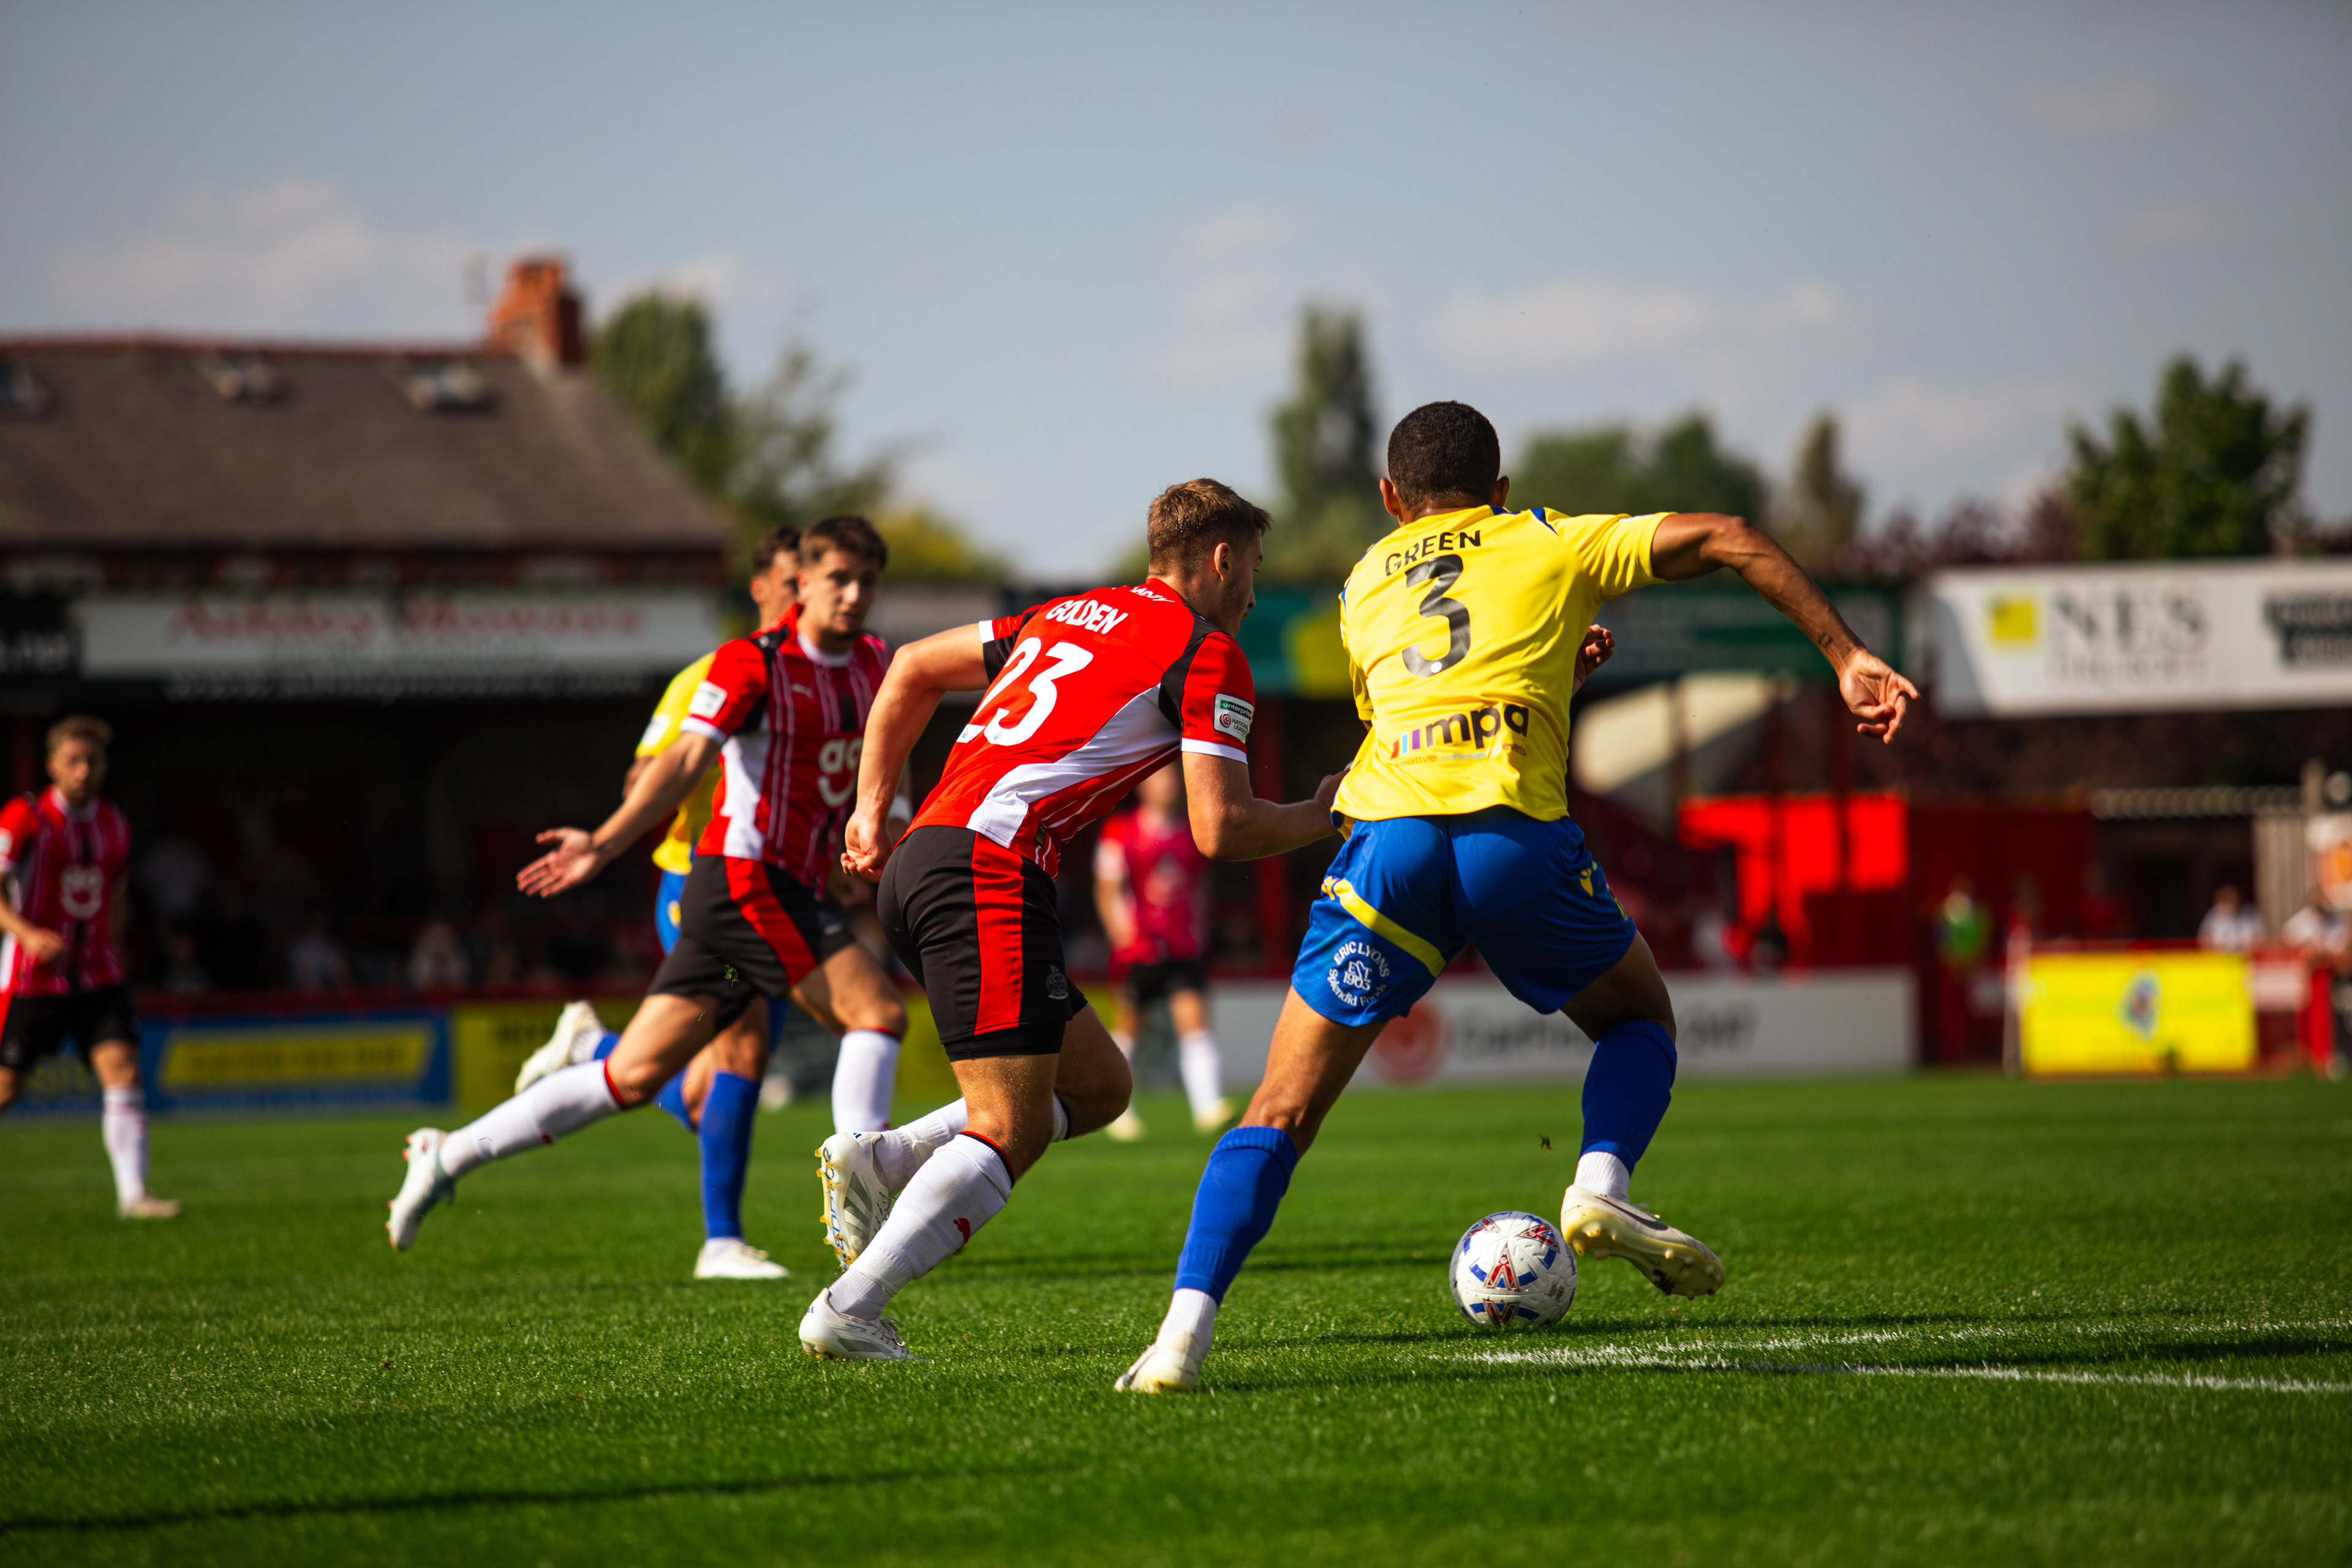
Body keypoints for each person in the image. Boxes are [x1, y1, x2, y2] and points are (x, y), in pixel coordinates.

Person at [1116, 401, 1919, 1393]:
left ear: (1388, 500)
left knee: (1276, 1110)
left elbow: (1424, 709)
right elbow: (1730, 539)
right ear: (1502, 490)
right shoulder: (1546, 540)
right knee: (1638, 1022)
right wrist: (1845, 657)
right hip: (1511, 840)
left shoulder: (1366, 579)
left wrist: (1549, 674)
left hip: (1386, 851)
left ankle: (1177, 1345)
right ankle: (1599, 1185)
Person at [799, 478, 1345, 1362]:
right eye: (1251, 568)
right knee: (1007, 1127)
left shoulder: (1065, 613)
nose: (1252, 590)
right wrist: (1330, 808)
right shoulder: (1206, 653)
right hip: (987, 870)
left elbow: (906, 670)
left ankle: (888, 1158)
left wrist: (870, 811)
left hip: (928, 860)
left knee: (1100, 1088)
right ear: (1221, 558)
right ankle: (851, 1305)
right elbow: (1222, 827)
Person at [384, 516, 913, 1264]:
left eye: (868, 581)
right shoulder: (749, 664)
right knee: (877, 1010)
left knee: (628, 1076)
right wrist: (604, 840)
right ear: (801, 585)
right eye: (836, 579)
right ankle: (860, 1209)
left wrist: (886, 817)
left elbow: (887, 751)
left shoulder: (872, 664)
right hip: (744, 885)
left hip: (766, 900)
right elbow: (684, 758)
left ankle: (448, 1156)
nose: (853, 595)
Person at [508, 525, 810, 1281]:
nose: (806, 594)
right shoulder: (712, 673)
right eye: (792, 580)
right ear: (762, 588)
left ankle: (592, 1050)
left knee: (711, 1090)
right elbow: (648, 771)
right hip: (699, 882)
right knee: (742, 1057)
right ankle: (722, 1240)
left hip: (774, 884)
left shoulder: (824, 675)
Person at [0, 717, 179, 1218]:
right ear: (52, 765)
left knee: (122, 1069)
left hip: (98, 974)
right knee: (8, 1087)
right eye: (73, 760)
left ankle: (134, 1196)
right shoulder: (24, 817)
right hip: (30, 978)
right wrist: (27, 933)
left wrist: (114, 948)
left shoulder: (114, 822)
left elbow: (117, 895)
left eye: (92, 761)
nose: (83, 769)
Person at [1093, 761, 1234, 1138]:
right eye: (1160, 779)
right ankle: (1117, 1111)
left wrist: (1198, 928)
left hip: (1181, 947)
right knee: (1129, 1029)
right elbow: (1108, 890)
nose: (1169, 785)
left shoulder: (1193, 831)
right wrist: (1120, 932)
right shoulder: (1121, 832)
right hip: (1138, 949)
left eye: (1174, 779)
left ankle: (1209, 1107)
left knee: (1194, 1021)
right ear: (1143, 787)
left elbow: (1199, 887)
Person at [2196, 884, 2264, 953]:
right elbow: (2204, 939)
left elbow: (2257, 939)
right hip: (2217, 957)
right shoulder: (2212, 916)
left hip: (2243, 958)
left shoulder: (2248, 915)